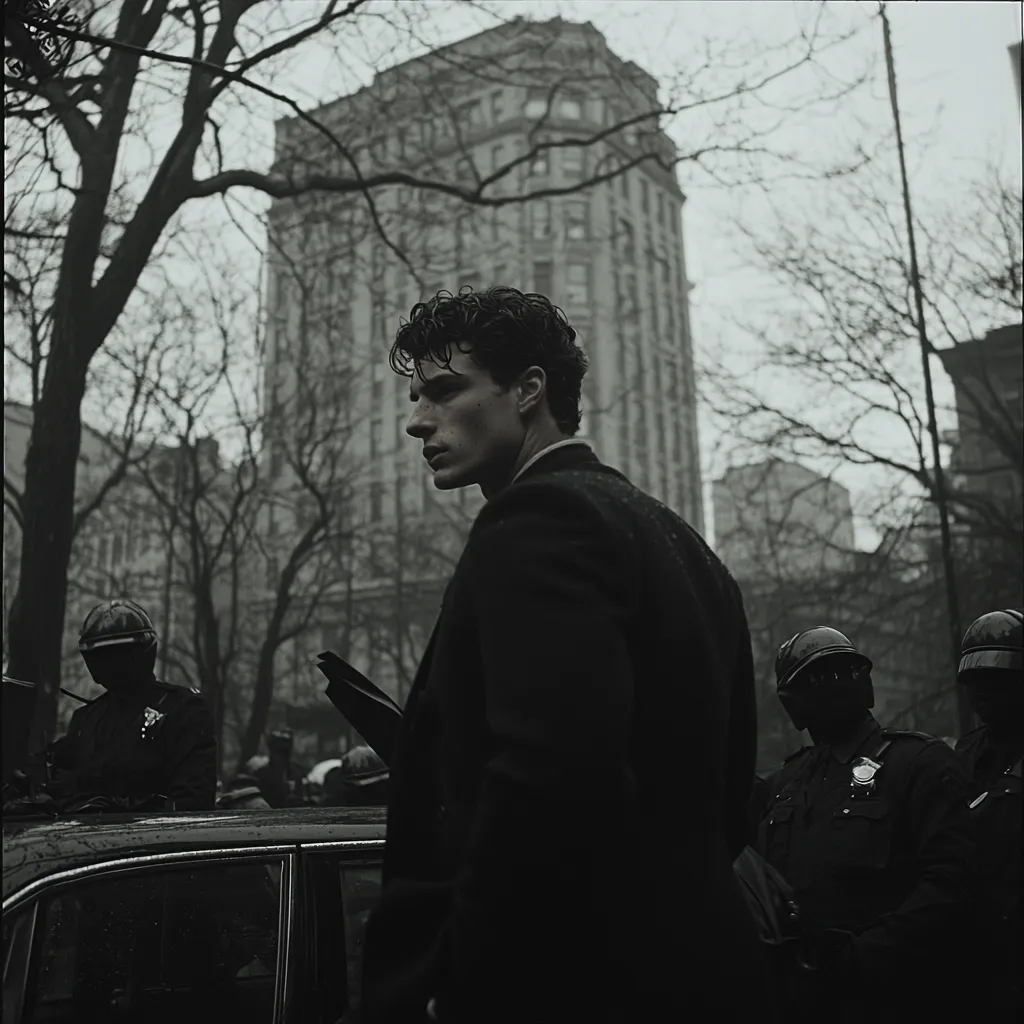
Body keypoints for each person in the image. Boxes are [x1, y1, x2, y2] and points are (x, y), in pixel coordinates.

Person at [360, 287, 772, 1024]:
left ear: (528, 390)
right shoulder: (685, 546)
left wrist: (455, 991)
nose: (418, 420)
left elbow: (553, 779)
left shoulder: (541, 519)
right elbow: (729, 797)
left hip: (572, 987)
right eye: (416, 395)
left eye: (446, 391)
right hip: (697, 971)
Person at [750, 626, 973, 1022]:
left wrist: (861, 955)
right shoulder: (784, 784)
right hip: (799, 998)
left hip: (892, 996)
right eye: (820, 678)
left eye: (847, 672)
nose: (837, 686)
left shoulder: (918, 763)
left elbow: (951, 883)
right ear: (793, 702)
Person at [23, 599, 216, 812]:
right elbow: (55, 788)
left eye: (122, 654)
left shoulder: (182, 710)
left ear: (142, 652)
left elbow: (193, 803)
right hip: (82, 838)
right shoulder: (86, 721)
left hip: (157, 840)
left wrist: (112, 808)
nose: (113, 664)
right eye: (103, 656)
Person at [955, 608, 1022, 1020]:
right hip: (976, 947)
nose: (983, 691)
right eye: (975, 680)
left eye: (996, 679)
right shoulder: (964, 754)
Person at [254, 729, 307, 808]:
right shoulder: (262, 774)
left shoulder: (296, 772)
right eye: (279, 751)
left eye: (285, 751)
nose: (281, 756)